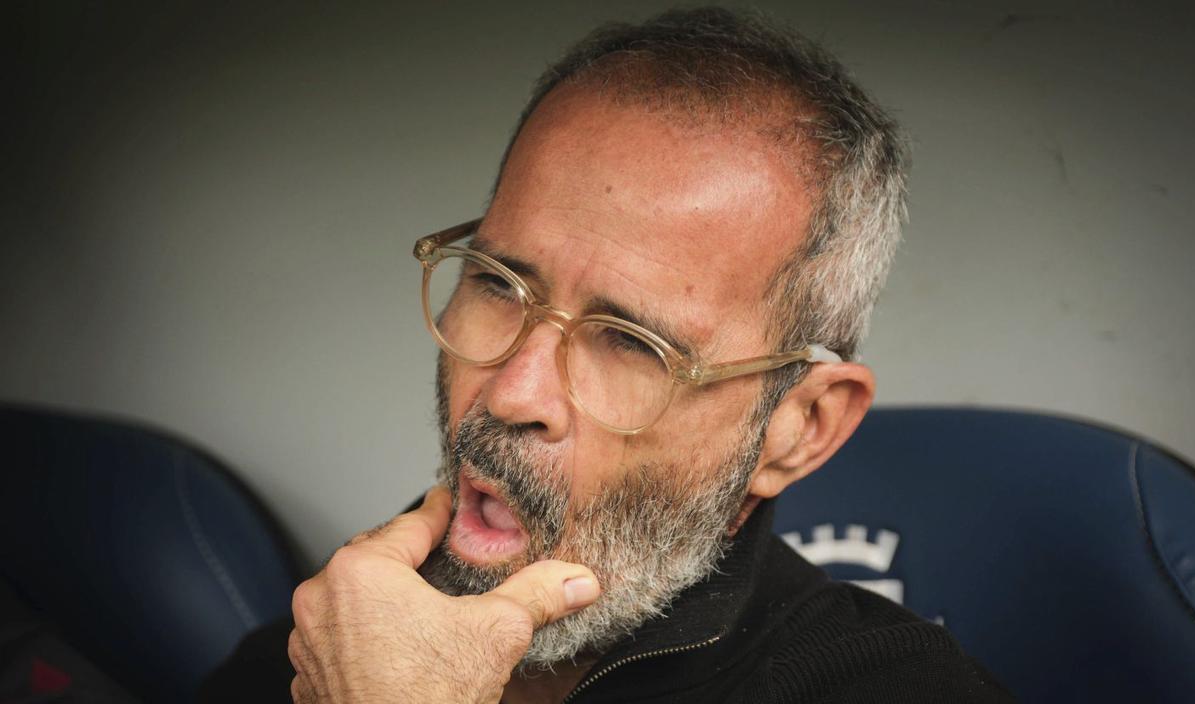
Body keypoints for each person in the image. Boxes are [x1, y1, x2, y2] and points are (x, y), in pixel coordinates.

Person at [203, 7, 1013, 703]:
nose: (512, 395)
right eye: (497, 285)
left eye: (632, 342)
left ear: (800, 426)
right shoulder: (315, 657)